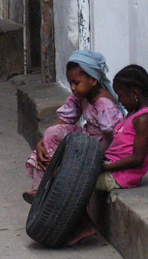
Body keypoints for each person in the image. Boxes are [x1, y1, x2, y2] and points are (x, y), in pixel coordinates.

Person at [68, 64, 148, 245]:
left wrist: (102, 168)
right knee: (67, 166)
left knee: (69, 179)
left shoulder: (144, 119)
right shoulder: (134, 113)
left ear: (135, 93)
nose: (119, 100)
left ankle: (85, 224)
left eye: (121, 95)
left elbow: (137, 159)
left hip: (120, 176)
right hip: (112, 166)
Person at [24, 50, 123, 202]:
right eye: (70, 83)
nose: (73, 88)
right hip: (86, 139)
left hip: (99, 148)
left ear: (93, 80)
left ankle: (52, 183)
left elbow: (113, 137)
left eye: (76, 83)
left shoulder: (104, 104)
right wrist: (42, 142)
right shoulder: (81, 96)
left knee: (64, 157)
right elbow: (65, 120)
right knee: (52, 133)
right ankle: (40, 188)